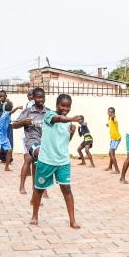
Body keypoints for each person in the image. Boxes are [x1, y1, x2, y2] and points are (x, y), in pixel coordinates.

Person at [30, 94, 84, 228]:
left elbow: (64, 142)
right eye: (62, 105)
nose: (65, 108)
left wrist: (71, 133)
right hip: (46, 160)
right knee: (39, 190)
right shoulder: (49, 115)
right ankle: (35, 215)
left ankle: (72, 220)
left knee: (67, 189)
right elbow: (58, 119)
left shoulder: (68, 122)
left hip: (63, 161)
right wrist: (71, 118)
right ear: (57, 105)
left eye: (68, 106)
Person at [12, 87, 50, 195]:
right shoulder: (28, 111)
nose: (41, 100)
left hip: (44, 142)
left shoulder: (48, 112)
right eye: (38, 97)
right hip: (30, 141)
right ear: (33, 98)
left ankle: (38, 189)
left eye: (43, 97)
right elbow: (14, 125)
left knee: (37, 163)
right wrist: (23, 122)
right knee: (29, 160)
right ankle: (23, 186)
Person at [0, 100, 22, 172]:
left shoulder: (6, 115)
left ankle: (7, 167)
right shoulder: (6, 113)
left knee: (9, 151)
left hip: (4, 136)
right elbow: (11, 112)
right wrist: (17, 108)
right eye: (9, 104)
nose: (10, 105)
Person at [0, 89, 14, 165]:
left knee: (9, 141)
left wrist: (8, 102)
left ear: (6, 96)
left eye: (3, 96)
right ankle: (2, 158)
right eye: (0, 96)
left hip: (7, 125)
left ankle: (9, 159)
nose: (1, 97)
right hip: (0, 126)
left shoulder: (8, 103)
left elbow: (11, 108)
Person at [106, 107, 121, 173]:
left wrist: (113, 116)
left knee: (111, 152)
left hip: (116, 138)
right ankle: (110, 167)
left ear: (114, 113)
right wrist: (107, 124)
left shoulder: (113, 118)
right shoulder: (109, 118)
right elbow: (110, 123)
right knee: (111, 153)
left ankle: (117, 170)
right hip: (113, 138)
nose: (110, 113)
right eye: (109, 112)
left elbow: (113, 119)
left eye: (112, 112)